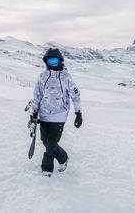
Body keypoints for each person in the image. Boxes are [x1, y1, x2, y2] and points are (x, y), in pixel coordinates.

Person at [28, 48, 83, 177]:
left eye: (55, 60)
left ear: (60, 61)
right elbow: (37, 96)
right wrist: (33, 112)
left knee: (51, 145)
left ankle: (46, 170)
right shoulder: (42, 77)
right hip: (44, 115)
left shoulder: (66, 78)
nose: (53, 63)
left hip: (59, 115)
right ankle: (63, 158)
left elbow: (75, 96)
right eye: (50, 61)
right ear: (46, 62)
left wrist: (78, 113)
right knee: (46, 142)